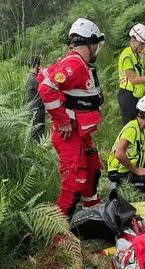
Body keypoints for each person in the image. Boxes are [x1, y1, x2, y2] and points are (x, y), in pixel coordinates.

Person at [37, 18, 106, 218]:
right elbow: (46, 88)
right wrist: (63, 120)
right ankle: (59, 233)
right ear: (91, 44)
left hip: (81, 131)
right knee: (73, 182)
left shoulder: (75, 63)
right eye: (96, 45)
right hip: (70, 133)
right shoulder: (75, 64)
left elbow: (45, 78)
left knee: (93, 169)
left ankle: (90, 213)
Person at [107, 96, 145, 193]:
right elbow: (119, 154)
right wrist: (137, 170)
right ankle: (117, 185)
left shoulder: (142, 130)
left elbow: (135, 151)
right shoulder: (131, 129)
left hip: (129, 166)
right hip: (119, 172)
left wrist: (143, 160)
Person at [25, 56, 46, 142]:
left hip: (30, 108)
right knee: (37, 134)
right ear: (38, 65)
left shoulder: (27, 77)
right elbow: (44, 92)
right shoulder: (34, 79)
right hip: (37, 109)